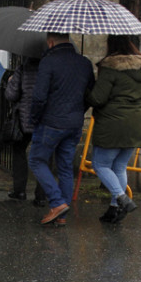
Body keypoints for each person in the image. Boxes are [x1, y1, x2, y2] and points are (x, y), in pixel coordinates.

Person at [85, 35, 141, 224]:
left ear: (112, 44)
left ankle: (121, 198)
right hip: (136, 124)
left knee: (100, 165)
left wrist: (86, 89)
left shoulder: (110, 68)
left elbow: (98, 99)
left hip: (112, 125)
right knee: (119, 166)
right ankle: (115, 208)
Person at [28, 33, 95, 225]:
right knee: (65, 167)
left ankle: (57, 203)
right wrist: (78, 111)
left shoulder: (48, 62)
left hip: (51, 122)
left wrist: (34, 118)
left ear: (50, 42)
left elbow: (39, 97)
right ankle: (62, 216)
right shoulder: (84, 63)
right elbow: (90, 93)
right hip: (74, 122)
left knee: (36, 160)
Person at [4, 57, 47, 205]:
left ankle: (20, 191)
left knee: (19, 152)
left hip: (24, 119)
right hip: (44, 119)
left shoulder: (23, 69)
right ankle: (41, 195)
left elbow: (11, 95)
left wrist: (10, 82)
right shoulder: (50, 68)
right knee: (43, 157)